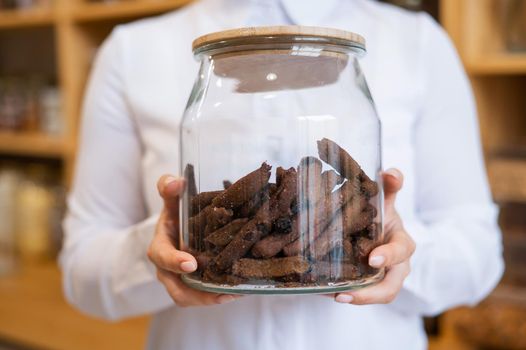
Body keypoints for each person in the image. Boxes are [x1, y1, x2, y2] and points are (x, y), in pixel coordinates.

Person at [59, 0, 504, 349]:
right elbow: (81, 273)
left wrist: (394, 252)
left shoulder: (418, 42)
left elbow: (479, 259)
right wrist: (162, 250)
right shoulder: (133, 50)